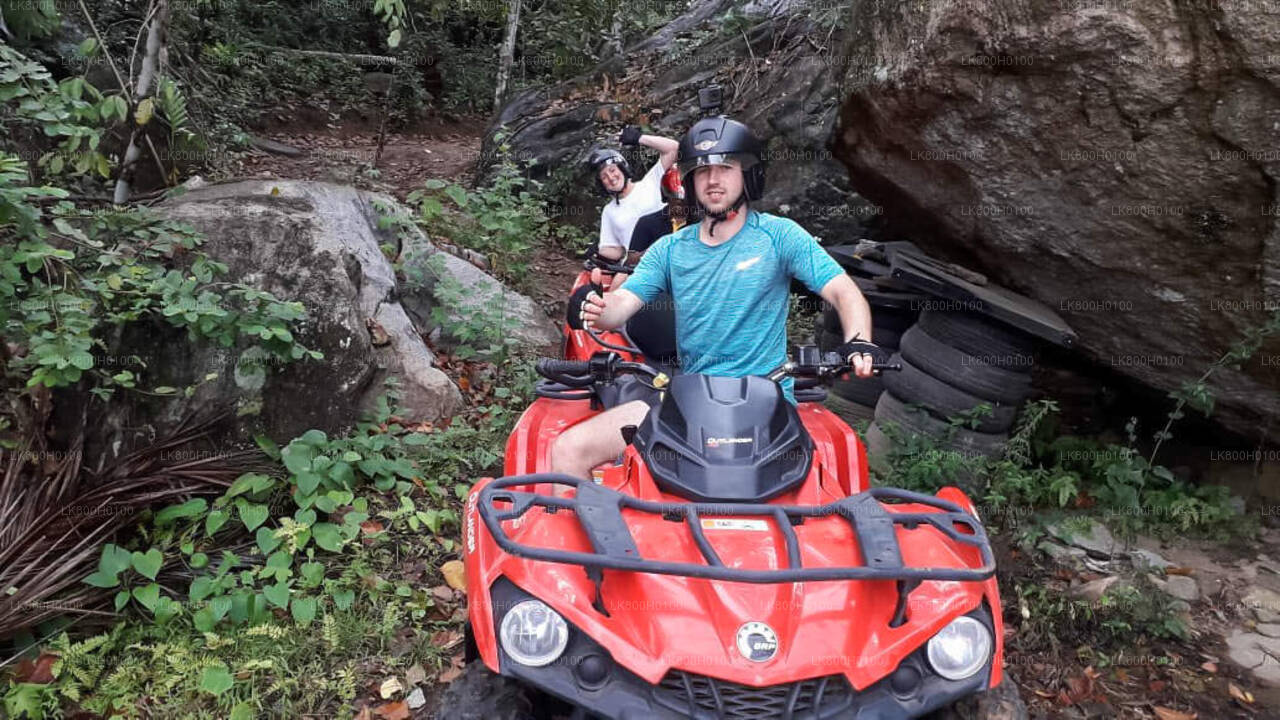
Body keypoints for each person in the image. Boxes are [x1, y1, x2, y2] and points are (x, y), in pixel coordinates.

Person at [549, 115, 882, 480]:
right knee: (568, 451)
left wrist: (859, 342)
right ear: (690, 180)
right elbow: (622, 305)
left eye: (725, 166)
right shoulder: (670, 249)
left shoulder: (780, 236)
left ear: (747, 173)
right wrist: (594, 306)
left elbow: (842, 290)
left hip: (767, 404)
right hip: (689, 404)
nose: (713, 179)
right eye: (701, 170)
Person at [589, 126, 679, 262]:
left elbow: (673, 148)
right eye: (604, 177)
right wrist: (599, 250)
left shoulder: (651, 182)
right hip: (637, 266)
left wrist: (639, 138)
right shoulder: (609, 211)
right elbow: (616, 250)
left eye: (613, 170)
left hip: (669, 255)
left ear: (623, 168)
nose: (611, 178)